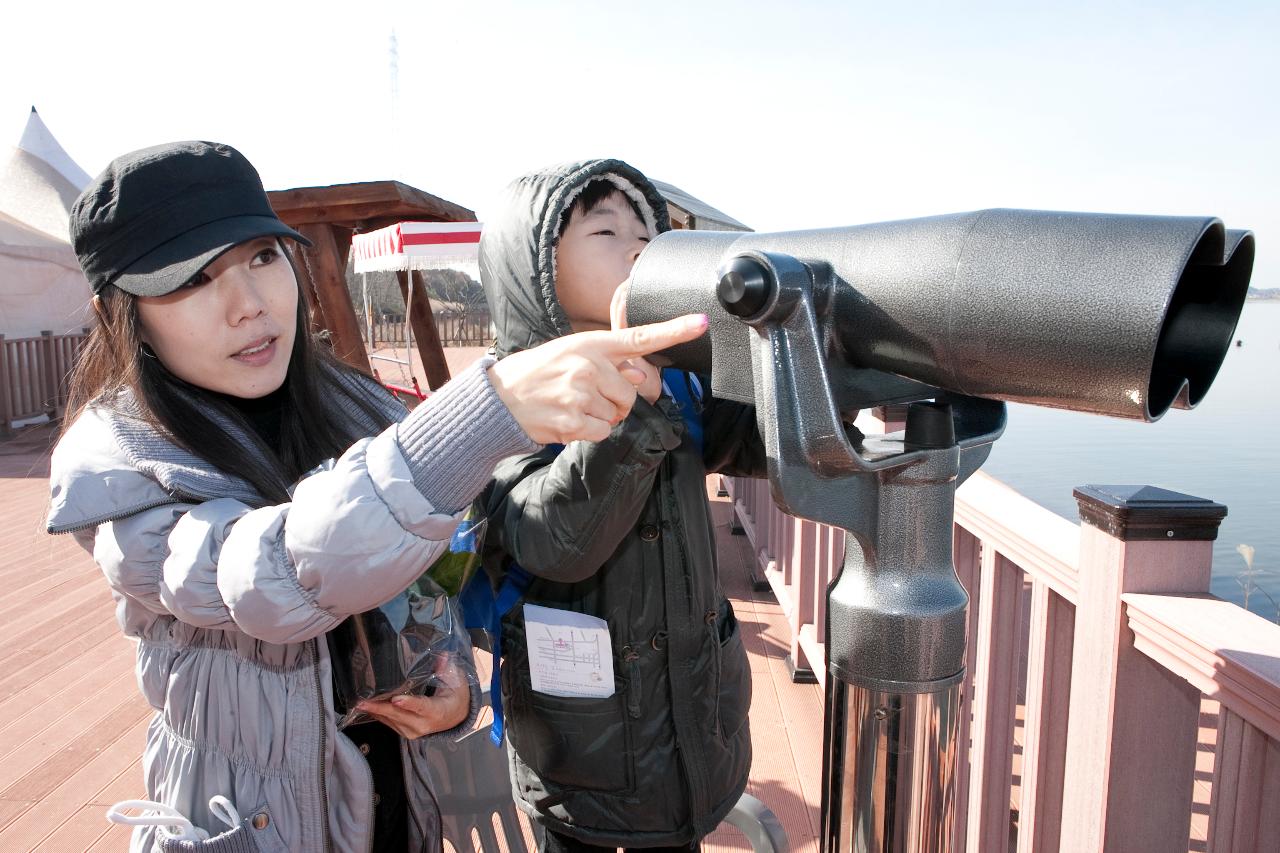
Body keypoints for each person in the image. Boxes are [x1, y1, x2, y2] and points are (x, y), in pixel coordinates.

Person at [45, 141, 707, 853]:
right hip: (251, 826)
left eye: (264, 257)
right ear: (117, 309)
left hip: (396, 804)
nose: (249, 305)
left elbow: (428, 575)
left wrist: (451, 679)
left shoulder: (358, 407)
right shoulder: (122, 468)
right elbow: (264, 579)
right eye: (194, 279)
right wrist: (482, 416)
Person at [478, 160, 766, 851]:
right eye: (605, 230)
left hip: (690, 735)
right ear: (534, 266)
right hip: (588, 762)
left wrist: (839, 384)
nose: (637, 247)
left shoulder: (680, 380)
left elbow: (763, 444)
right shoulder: (505, 404)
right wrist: (634, 415)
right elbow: (556, 540)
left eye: (646, 232)